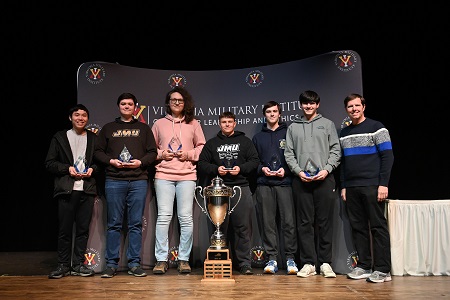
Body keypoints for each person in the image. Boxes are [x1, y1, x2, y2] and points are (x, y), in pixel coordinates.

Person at [94, 92, 157, 278]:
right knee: (113, 224)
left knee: (135, 224)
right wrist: (111, 161)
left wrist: (141, 163)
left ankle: (134, 263)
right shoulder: (108, 128)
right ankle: (111, 264)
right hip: (114, 180)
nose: (127, 106)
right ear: (119, 106)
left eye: (130, 104)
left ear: (135, 106)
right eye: (123, 104)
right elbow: (97, 152)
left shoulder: (144, 129)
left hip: (138, 180)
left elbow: (152, 152)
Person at [284, 90, 341, 278]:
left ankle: (325, 263)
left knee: (324, 222)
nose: (308, 106)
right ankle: (308, 263)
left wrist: (326, 169)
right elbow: (289, 153)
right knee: (304, 223)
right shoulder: (293, 127)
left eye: (312, 103)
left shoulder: (327, 125)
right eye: (305, 103)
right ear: (301, 105)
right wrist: (299, 172)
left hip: (325, 179)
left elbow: (335, 150)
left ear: (318, 105)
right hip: (301, 181)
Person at [339, 93, 394, 283]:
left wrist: (383, 184)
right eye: (350, 107)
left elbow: (388, 157)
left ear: (363, 106)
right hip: (352, 187)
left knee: (378, 227)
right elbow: (344, 163)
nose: (353, 109)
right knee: (358, 228)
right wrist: (344, 186)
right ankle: (364, 266)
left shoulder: (376, 127)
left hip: (372, 185)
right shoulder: (344, 132)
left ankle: (383, 269)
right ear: (346, 110)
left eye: (357, 106)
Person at [151, 87, 206, 275]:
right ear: (168, 102)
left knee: (186, 218)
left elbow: (202, 147)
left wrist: (189, 154)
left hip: (187, 176)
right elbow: (150, 149)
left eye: (180, 100)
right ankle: (160, 260)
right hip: (164, 175)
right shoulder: (158, 124)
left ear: (185, 104)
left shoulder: (194, 124)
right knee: (164, 217)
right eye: (173, 100)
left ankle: (183, 259)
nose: (176, 103)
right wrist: (161, 153)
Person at [197, 111, 260, 275]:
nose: (227, 124)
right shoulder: (212, 144)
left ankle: (244, 263)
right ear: (219, 124)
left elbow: (254, 161)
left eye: (230, 122)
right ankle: (220, 261)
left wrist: (241, 169)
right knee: (219, 228)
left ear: (235, 123)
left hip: (241, 188)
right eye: (224, 122)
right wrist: (216, 169)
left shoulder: (245, 141)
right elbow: (202, 163)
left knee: (243, 228)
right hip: (219, 191)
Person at [45, 104, 98, 279]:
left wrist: (93, 170)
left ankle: (77, 265)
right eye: (77, 115)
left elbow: (99, 163)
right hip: (67, 190)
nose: (80, 118)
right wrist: (67, 169)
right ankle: (62, 265)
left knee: (83, 230)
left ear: (88, 119)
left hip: (87, 189)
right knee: (65, 230)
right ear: (70, 118)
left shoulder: (93, 138)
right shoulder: (60, 137)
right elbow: (50, 163)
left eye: (84, 115)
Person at [252, 101, 298, 275]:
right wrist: (261, 169)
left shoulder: (288, 133)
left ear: (280, 113)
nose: (272, 114)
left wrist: (284, 170)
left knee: (288, 223)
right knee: (268, 223)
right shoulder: (258, 137)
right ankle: (271, 258)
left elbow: (295, 156)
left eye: (275, 111)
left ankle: (290, 258)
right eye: (268, 111)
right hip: (264, 185)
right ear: (265, 114)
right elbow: (254, 161)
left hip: (285, 183)